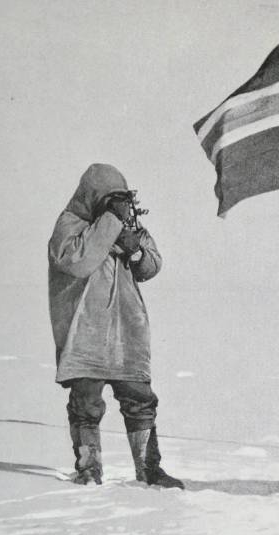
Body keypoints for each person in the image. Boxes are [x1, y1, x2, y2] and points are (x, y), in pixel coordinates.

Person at [47, 163, 183, 489]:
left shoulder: (126, 225)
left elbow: (152, 265)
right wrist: (110, 223)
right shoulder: (70, 224)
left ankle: (149, 469)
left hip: (126, 331)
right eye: (112, 199)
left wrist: (135, 250)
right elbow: (77, 261)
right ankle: (88, 469)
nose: (120, 205)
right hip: (86, 331)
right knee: (86, 402)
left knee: (140, 399)